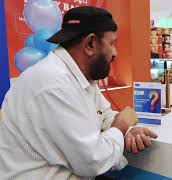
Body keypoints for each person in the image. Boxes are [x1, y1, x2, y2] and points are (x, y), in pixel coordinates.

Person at [0, 6, 157, 179]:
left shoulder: (79, 77)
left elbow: (103, 115)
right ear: (90, 44)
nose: (115, 53)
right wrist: (121, 126)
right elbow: (93, 161)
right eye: (112, 43)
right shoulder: (55, 84)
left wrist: (128, 132)